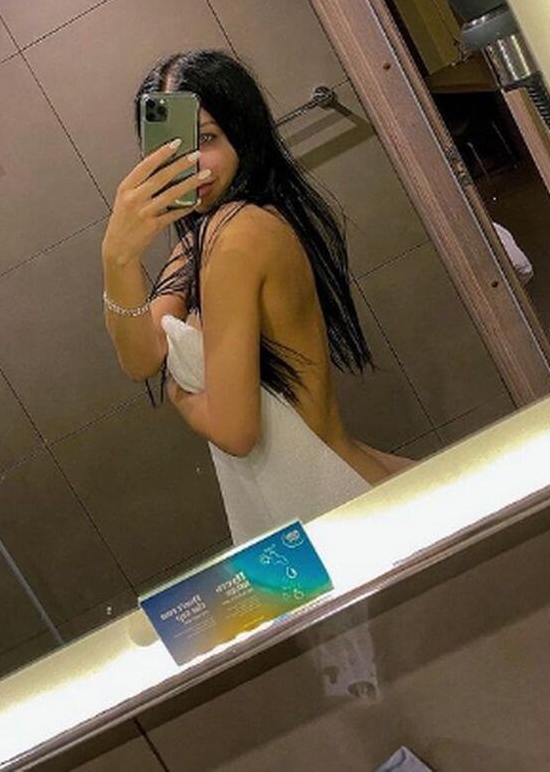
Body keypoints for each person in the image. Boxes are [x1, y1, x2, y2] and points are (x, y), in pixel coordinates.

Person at [101, 50, 412, 545]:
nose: (192, 163)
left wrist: (181, 394)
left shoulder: (236, 235)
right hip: (325, 487)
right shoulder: (205, 239)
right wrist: (118, 257)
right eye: (171, 146)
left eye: (206, 139)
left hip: (328, 500)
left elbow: (236, 432)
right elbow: (140, 357)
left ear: (241, 132)